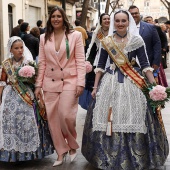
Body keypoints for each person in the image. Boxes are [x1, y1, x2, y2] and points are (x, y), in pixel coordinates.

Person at [81, 10, 169, 170]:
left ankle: (136, 157)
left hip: (132, 83)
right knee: (107, 116)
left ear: (128, 22)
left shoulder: (137, 40)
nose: (121, 23)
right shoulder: (107, 41)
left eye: (124, 21)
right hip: (110, 82)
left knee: (135, 114)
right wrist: (95, 87)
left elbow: (145, 65)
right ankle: (106, 157)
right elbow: (100, 66)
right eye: (118, 21)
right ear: (114, 22)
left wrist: (154, 86)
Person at [34, 6, 86, 167]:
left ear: (64, 18)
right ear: (50, 19)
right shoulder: (43, 37)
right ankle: (61, 150)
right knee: (53, 120)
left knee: (66, 115)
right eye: (53, 16)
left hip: (70, 81)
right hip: (50, 82)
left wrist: (80, 82)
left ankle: (71, 144)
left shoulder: (75, 35)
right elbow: (42, 62)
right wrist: (38, 85)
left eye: (59, 16)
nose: (56, 19)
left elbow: (80, 61)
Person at [0, 36, 54, 162]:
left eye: (21, 47)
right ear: (11, 50)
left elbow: (36, 81)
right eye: (16, 48)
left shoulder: (29, 63)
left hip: (27, 94)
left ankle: (30, 152)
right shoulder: (6, 64)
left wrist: (38, 92)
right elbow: (2, 82)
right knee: (10, 119)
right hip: (10, 94)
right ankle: (12, 151)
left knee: (27, 118)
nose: (20, 50)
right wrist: (1, 98)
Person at [79, 13, 110, 110]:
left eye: (108, 19)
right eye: (104, 19)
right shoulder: (97, 33)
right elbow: (92, 49)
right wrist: (88, 62)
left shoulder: (114, 31)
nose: (107, 20)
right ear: (101, 21)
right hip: (99, 61)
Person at [129, 6, 161, 82]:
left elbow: (157, 44)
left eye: (136, 13)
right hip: (129, 66)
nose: (134, 15)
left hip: (148, 64)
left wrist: (156, 62)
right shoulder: (124, 28)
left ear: (139, 14)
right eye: (131, 14)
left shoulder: (150, 27)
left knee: (148, 86)